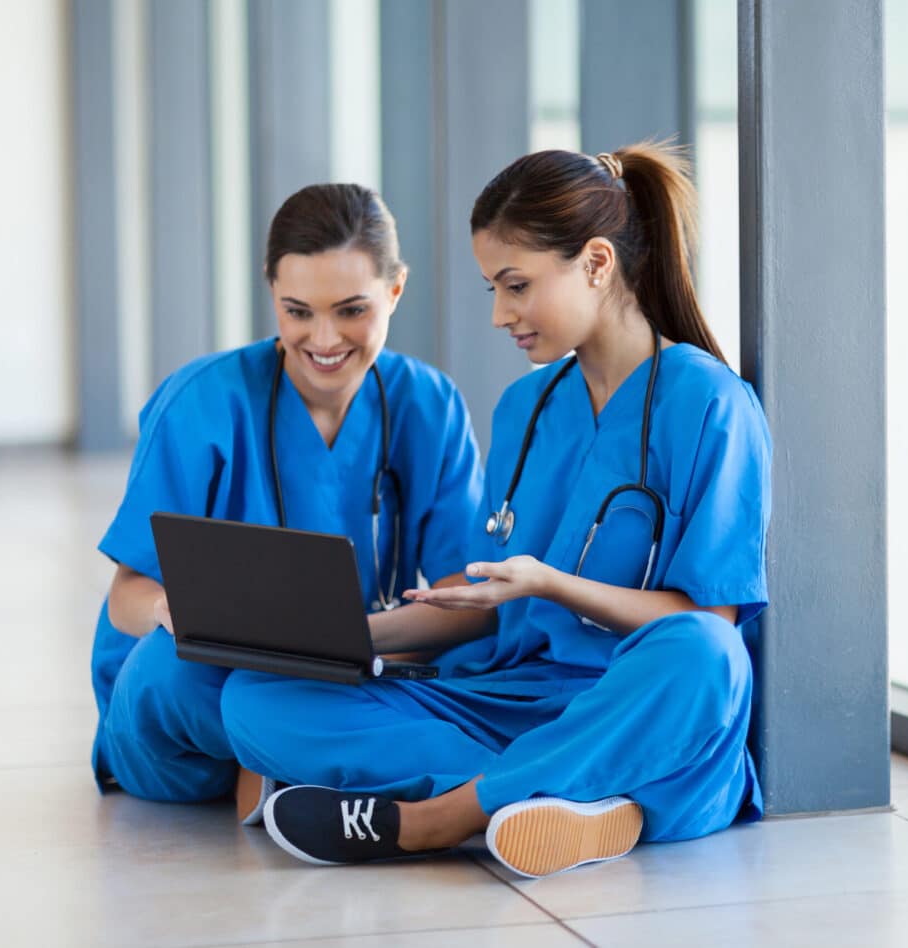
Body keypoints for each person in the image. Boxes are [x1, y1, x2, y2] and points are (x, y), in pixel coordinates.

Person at [219, 142, 772, 877]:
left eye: (516, 286)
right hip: (510, 696)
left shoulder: (710, 405)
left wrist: (551, 583)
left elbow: (708, 620)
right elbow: (486, 607)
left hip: (630, 695)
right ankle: (576, 796)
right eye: (492, 290)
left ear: (598, 264)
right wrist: (329, 637)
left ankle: (436, 818)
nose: (500, 315)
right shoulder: (527, 407)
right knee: (257, 699)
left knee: (705, 660)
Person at [90, 183, 484, 816]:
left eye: (351, 310)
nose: (324, 339)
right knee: (170, 670)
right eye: (298, 311)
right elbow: (125, 598)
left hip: (359, 666)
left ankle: (301, 769)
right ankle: (346, 766)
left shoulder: (429, 405)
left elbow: (463, 598)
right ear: (271, 292)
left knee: (483, 657)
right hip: (199, 694)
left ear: (395, 290)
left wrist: (359, 651)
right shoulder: (201, 402)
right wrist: (181, 613)